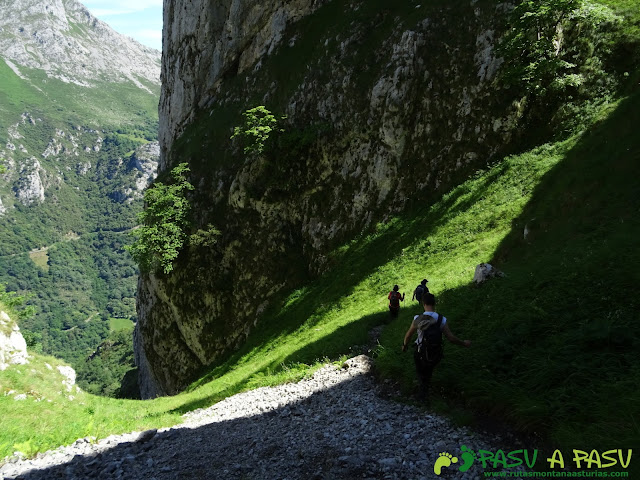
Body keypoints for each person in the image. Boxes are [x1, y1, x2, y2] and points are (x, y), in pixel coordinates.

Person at [402, 293, 471, 403]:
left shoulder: (418, 318)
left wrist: (405, 345)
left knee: (421, 373)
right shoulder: (441, 319)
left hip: (420, 352)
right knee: (428, 372)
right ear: (434, 303)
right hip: (435, 352)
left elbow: (409, 335)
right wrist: (464, 343)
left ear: (423, 304)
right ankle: (425, 392)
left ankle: (422, 396)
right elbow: (451, 338)